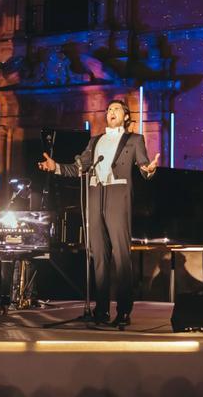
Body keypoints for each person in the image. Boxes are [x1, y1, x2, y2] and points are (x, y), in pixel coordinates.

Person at [38, 100, 159, 327]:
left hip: (117, 194)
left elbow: (144, 165)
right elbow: (79, 168)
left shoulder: (134, 140)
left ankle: (124, 310)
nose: (111, 112)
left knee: (121, 256)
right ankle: (101, 309)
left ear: (125, 116)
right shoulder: (95, 141)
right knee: (98, 256)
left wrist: (149, 170)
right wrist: (55, 166)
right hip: (95, 194)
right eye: (109, 109)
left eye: (116, 109)